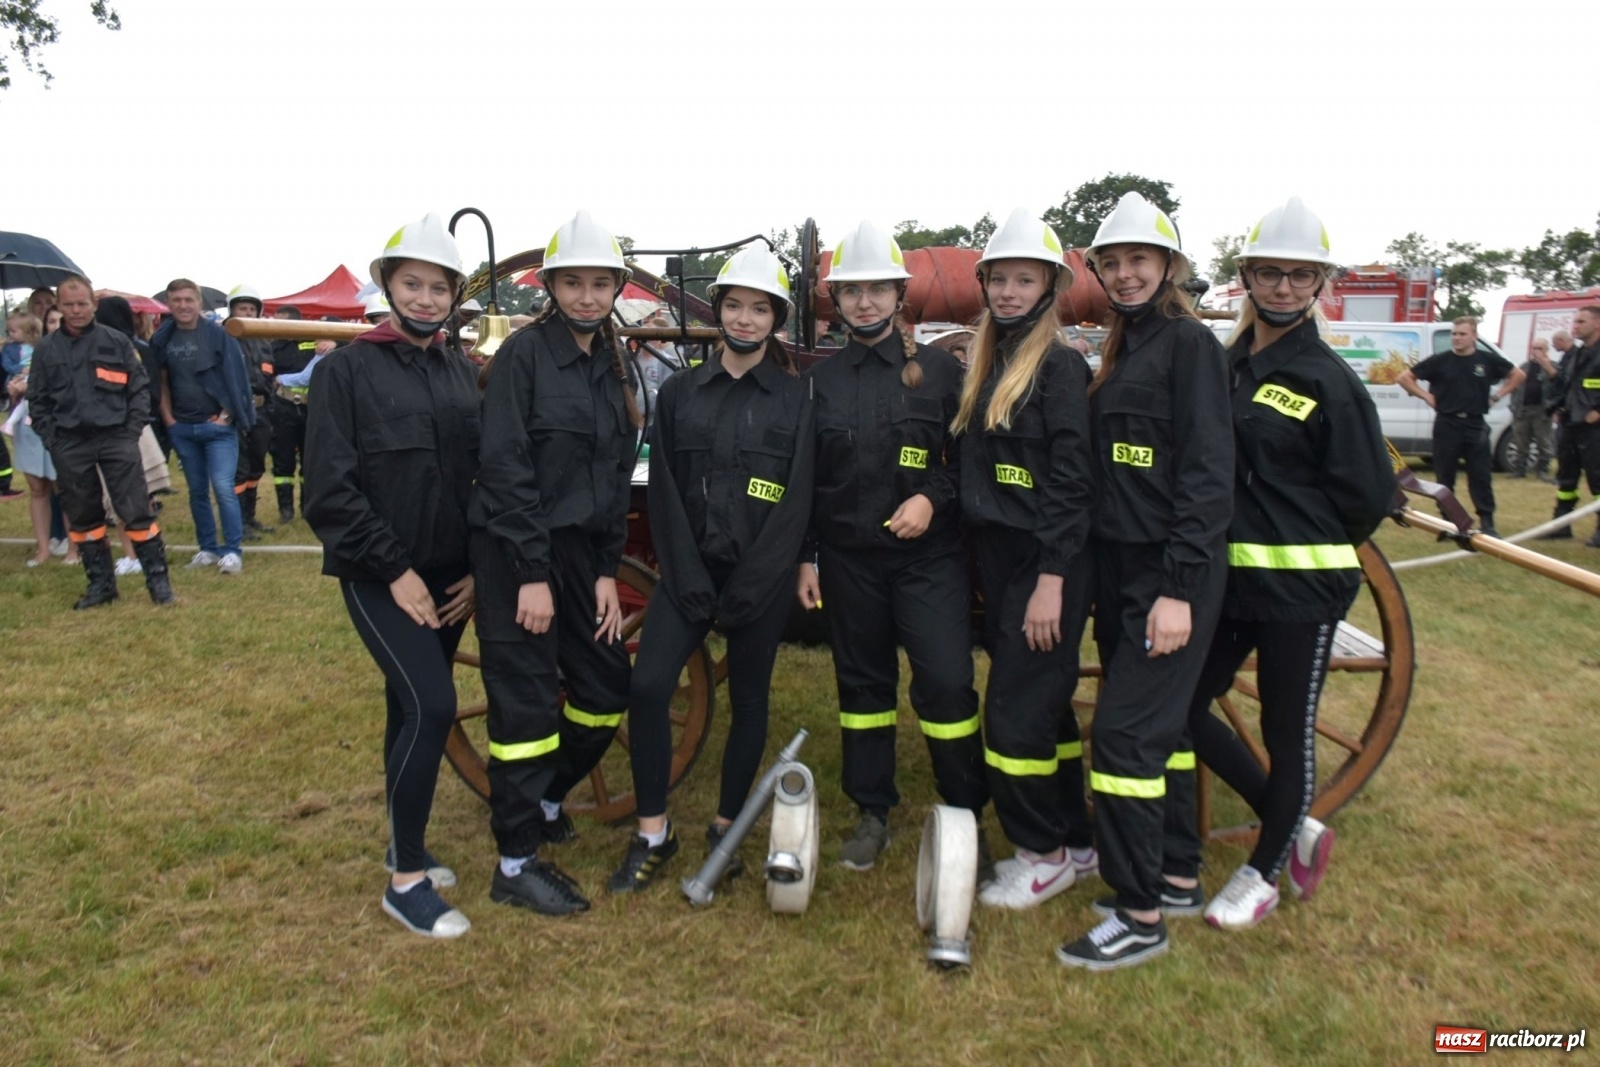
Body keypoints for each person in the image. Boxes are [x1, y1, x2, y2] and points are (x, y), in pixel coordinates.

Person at [1174, 199, 1398, 930]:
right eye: (1269, 272)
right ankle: (1293, 822)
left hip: (1302, 589)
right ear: (1245, 277)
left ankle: (1263, 873)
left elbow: (1367, 495)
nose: (1283, 287)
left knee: (1285, 729)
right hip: (1231, 583)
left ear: (1320, 284)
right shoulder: (1228, 364)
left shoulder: (1328, 380)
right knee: (1182, 707)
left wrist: (1300, 532)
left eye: (1301, 275)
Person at [1055, 192, 1234, 971]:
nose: (1125, 273)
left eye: (1139, 260)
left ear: (1169, 266)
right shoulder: (1126, 345)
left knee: (1125, 736)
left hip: (1168, 572)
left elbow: (1207, 474)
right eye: (1113, 262)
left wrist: (1178, 588)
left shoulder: (1189, 346)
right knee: (1170, 730)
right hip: (1125, 568)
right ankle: (1178, 871)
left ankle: (1138, 914)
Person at [612, 242, 815, 893]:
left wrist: (756, 585)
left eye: (760, 308)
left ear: (775, 319)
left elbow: (797, 500)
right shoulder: (679, 393)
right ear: (718, 310)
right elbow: (665, 491)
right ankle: (653, 833)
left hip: (761, 580)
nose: (745, 318)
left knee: (750, 700)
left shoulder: (797, 399)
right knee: (648, 688)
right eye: (735, 305)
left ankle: (725, 829)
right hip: (688, 574)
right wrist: (688, 576)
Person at [303, 214, 480, 940]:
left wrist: (477, 566)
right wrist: (395, 569)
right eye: (413, 283)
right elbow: (329, 492)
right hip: (380, 574)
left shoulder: (459, 372)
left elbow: (480, 477)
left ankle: (404, 844)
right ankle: (405, 883)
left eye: (439, 287)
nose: (426, 298)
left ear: (454, 295)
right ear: (387, 285)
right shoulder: (345, 371)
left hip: (451, 574)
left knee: (406, 709)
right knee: (433, 705)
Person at [795, 222, 988, 872]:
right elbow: (808, 481)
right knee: (863, 685)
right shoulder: (819, 382)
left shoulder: (940, 372)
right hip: (849, 560)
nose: (864, 302)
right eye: (851, 291)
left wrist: (932, 497)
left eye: (877, 289)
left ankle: (966, 811)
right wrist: (808, 555)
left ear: (900, 295)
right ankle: (871, 810)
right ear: (836, 301)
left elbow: (967, 461)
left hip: (927, 561)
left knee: (946, 683)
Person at [469, 212, 640, 916]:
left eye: (600, 284)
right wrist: (533, 574)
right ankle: (514, 863)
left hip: (578, 555)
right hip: (518, 550)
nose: (587, 297)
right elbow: (506, 466)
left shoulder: (611, 364)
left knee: (604, 688)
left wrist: (603, 570)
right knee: (528, 707)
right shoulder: (525, 356)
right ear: (551, 287)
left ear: (616, 289)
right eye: (574, 283)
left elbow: (613, 474)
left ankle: (543, 800)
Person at [940, 209, 1097, 907]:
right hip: (1002, 558)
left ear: (1049, 288)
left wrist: (1051, 580)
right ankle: (1078, 842)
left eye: (1023, 280)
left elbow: (1073, 480)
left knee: (1012, 715)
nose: (1008, 292)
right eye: (999, 279)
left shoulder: (1059, 367)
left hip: (1045, 560)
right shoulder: (987, 363)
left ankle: (1042, 853)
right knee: (1047, 709)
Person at [23, 275, 174, 607]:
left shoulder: (116, 341)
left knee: (136, 510)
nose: (76, 310)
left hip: (117, 439)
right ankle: (101, 586)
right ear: (58, 307)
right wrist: (52, 440)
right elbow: (38, 399)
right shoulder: (47, 349)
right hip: (70, 444)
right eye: (69, 305)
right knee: (84, 518)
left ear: (94, 304)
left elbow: (139, 389)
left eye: (82, 304)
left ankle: (159, 585)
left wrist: (131, 432)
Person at [147, 278, 255, 574]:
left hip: (218, 429)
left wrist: (225, 416)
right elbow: (161, 382)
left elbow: (235, 377)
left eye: (188, 299)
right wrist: (169, 419)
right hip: (182, 427)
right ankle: (207, 549)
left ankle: (232, 551)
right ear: (168, 304)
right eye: (177, 300)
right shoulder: (162, 338)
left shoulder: (219, 336)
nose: (183, 305)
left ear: (198, 302)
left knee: (223, 487)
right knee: (196, 492)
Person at [1397, 318, 1522, 537]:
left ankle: (1487, 523)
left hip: (1475, 424)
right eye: (1454, 334)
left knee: (1480, 476)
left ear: (1474, 336)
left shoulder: (1487, 360)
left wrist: (1497, 396)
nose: (1457, 338)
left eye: (1462, 334)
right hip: (1447, 424)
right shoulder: (1440, 361)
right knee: (1445, 477)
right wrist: (1426, 396)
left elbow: (1518, 375)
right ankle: (1449, 523)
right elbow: (1404, 377)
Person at [1544, 306, 1600, 546]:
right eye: (1575, 321)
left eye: (1581, 321)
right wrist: (1556, 408)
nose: (1575, 326)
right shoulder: (1575, 354)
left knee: (1597, 478)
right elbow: (1564, 384)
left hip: (1593, 428)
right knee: (1566, 478)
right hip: (1570, 423)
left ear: (1597, 324)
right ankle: (1561, 524)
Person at [226, 285, 277, 538]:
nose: (247, 313)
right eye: (242, 308)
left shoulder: (263, 341)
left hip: (261, 411)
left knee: (256, 466)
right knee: (239, 468)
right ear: (232, 311)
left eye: (251, 309)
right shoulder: (225, 339)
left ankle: (250, 516)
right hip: (235, 412)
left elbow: (270, 376)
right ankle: (238, 523)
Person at [268, 304, 316, 525]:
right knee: (283, 460)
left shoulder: (313, 339)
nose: (278, 327)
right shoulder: (273, 346)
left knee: (310, 460)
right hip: (283, 407)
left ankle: (308, 506)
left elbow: (343, 343)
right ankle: (285, 509)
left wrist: (333, 342)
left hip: (310, 408)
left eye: (283, 322)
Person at [1510, 338, 1559, 479]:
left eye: (1540, 348)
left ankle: (1542, 469)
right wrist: (1514, 406)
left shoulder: (1553, 366)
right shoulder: (1524, 366)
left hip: (1542, 411)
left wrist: (1545, 364)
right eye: (1534, 348)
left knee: (1543, 441)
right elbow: (1514, 385)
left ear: (1546, 351)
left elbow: (1557, 383)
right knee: (1521, 440)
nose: (1536, 351)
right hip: (1523, 409)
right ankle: (1520, 469)